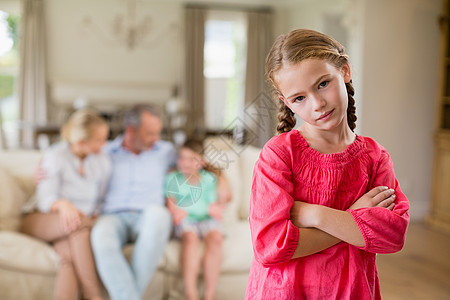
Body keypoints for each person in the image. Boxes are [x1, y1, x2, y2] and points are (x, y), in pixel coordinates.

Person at [245, 29, 410, 300]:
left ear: (345, 71)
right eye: (300, 98)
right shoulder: (279, 154)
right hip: (283, 292)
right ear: (287, 103)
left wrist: (314, 215)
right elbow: (270, 246)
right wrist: (353, 218)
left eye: (323, 84)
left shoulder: (375, 157)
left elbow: (392, 236)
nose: (318, 104)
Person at [21, 109, 110, 300]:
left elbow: (100, 202)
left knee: (68, 258)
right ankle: (93, 296)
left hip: (73, 227)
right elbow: (45, 200)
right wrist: (63, 205)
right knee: (79, 224)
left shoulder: (102, 161)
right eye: (99, 140)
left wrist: (92, 214)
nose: (105, 144)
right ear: (81, 142)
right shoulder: (56, 156)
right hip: (41, 218)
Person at [90, 104, 176, 300]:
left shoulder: (166, 151)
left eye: (158, 133)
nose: (156, 139)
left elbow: (200, 164)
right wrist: (45, 167)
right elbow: (72, 146)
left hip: (149, 214)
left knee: (160, 216)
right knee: (100, 236)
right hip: (112, 215)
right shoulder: (106, 151)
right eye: (150, 133)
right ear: (131, 130)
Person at [165, 139, 231, 300]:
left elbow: (217, 203)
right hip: (187, 222)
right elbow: (172, 206)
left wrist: (191, 210)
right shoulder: (173, 178)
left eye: (191, 159)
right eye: (181, 158)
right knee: (191, 238)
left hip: (206, 220)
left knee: (216, 239)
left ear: (201, 162)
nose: (185, 163)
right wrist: (203, 209)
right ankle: (191, 294)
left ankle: (209, 295)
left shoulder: (209, 178)